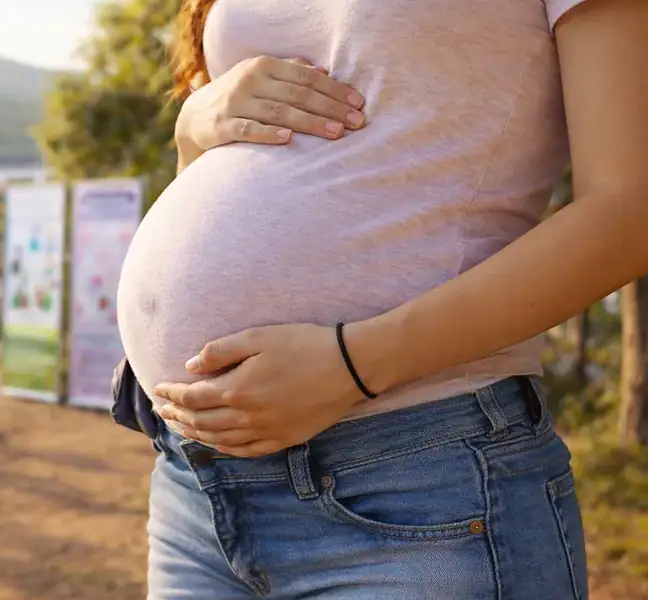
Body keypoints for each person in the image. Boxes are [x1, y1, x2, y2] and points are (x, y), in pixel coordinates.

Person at [116, 0, 647, 598]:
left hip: (421, 482)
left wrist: (355, 363)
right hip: (197, 482)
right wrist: (192, 128)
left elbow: (629, 211)